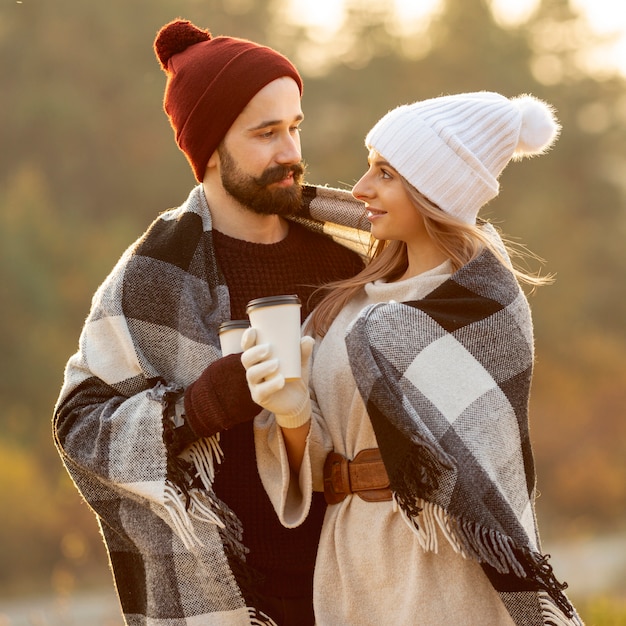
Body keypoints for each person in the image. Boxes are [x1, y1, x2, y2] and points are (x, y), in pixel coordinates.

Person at [52, 18, 367, 626]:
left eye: (295, 128)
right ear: (212, 147)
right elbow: (79, 427)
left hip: (360, 581)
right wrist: (200, 404)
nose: (291, 153)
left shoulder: (348, 255)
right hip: (231, 598)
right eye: (266, 133)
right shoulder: (154, 274)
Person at [242, 92, 585, 625]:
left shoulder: (482, 309)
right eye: (369, 167)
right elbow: (308, 473)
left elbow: (483, 473)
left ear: (432, 191)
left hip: (447, 572)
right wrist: (291, 414)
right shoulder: (341, 306)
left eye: (385, 173)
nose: (360, 189)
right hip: (350, 565)